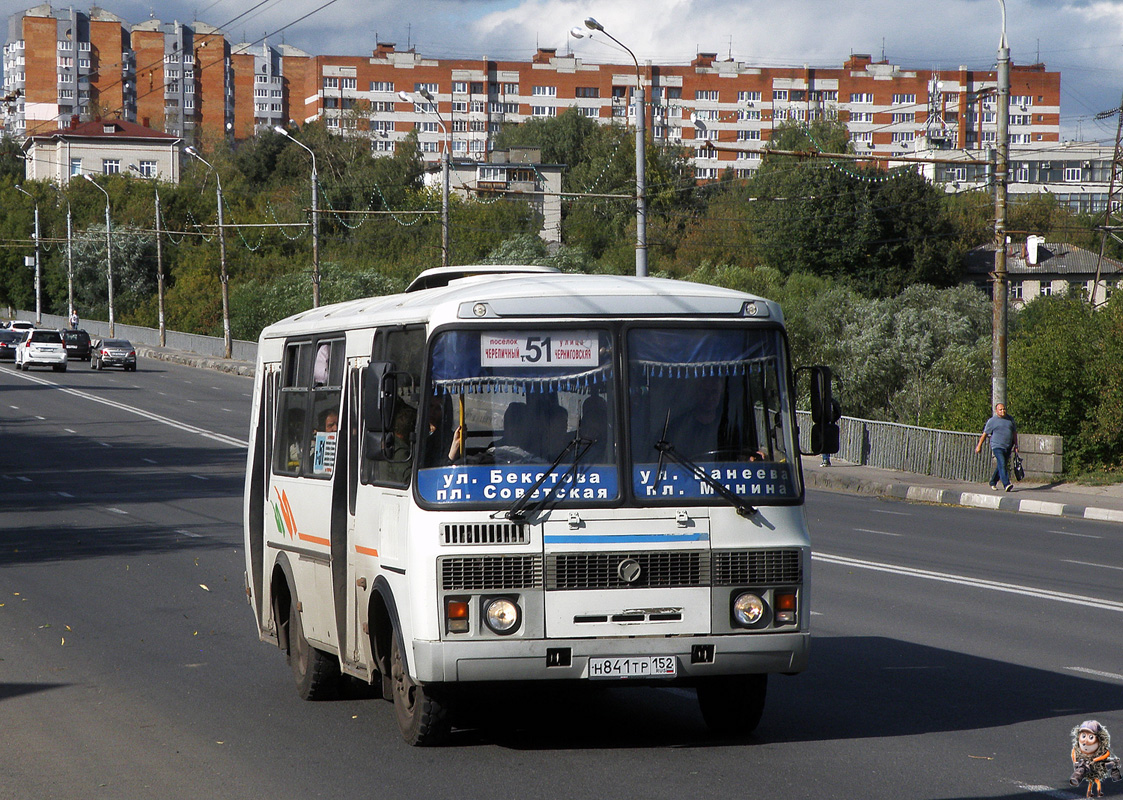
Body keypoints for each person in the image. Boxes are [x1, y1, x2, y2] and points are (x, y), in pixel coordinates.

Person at [975, 402, 1018, 492]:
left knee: (1001, 466)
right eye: (1000, 409)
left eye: (1004, 409)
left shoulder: (1010, 419)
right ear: (996, 411)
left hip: (1008, 446)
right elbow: (985, 434)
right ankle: (1006, 484)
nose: (1003, 411)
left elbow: (1014, 433)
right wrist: (979, 446)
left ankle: (992, 482)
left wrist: (1016, 445)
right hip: (997, 446)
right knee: (1002, 463)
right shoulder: (992, 421)